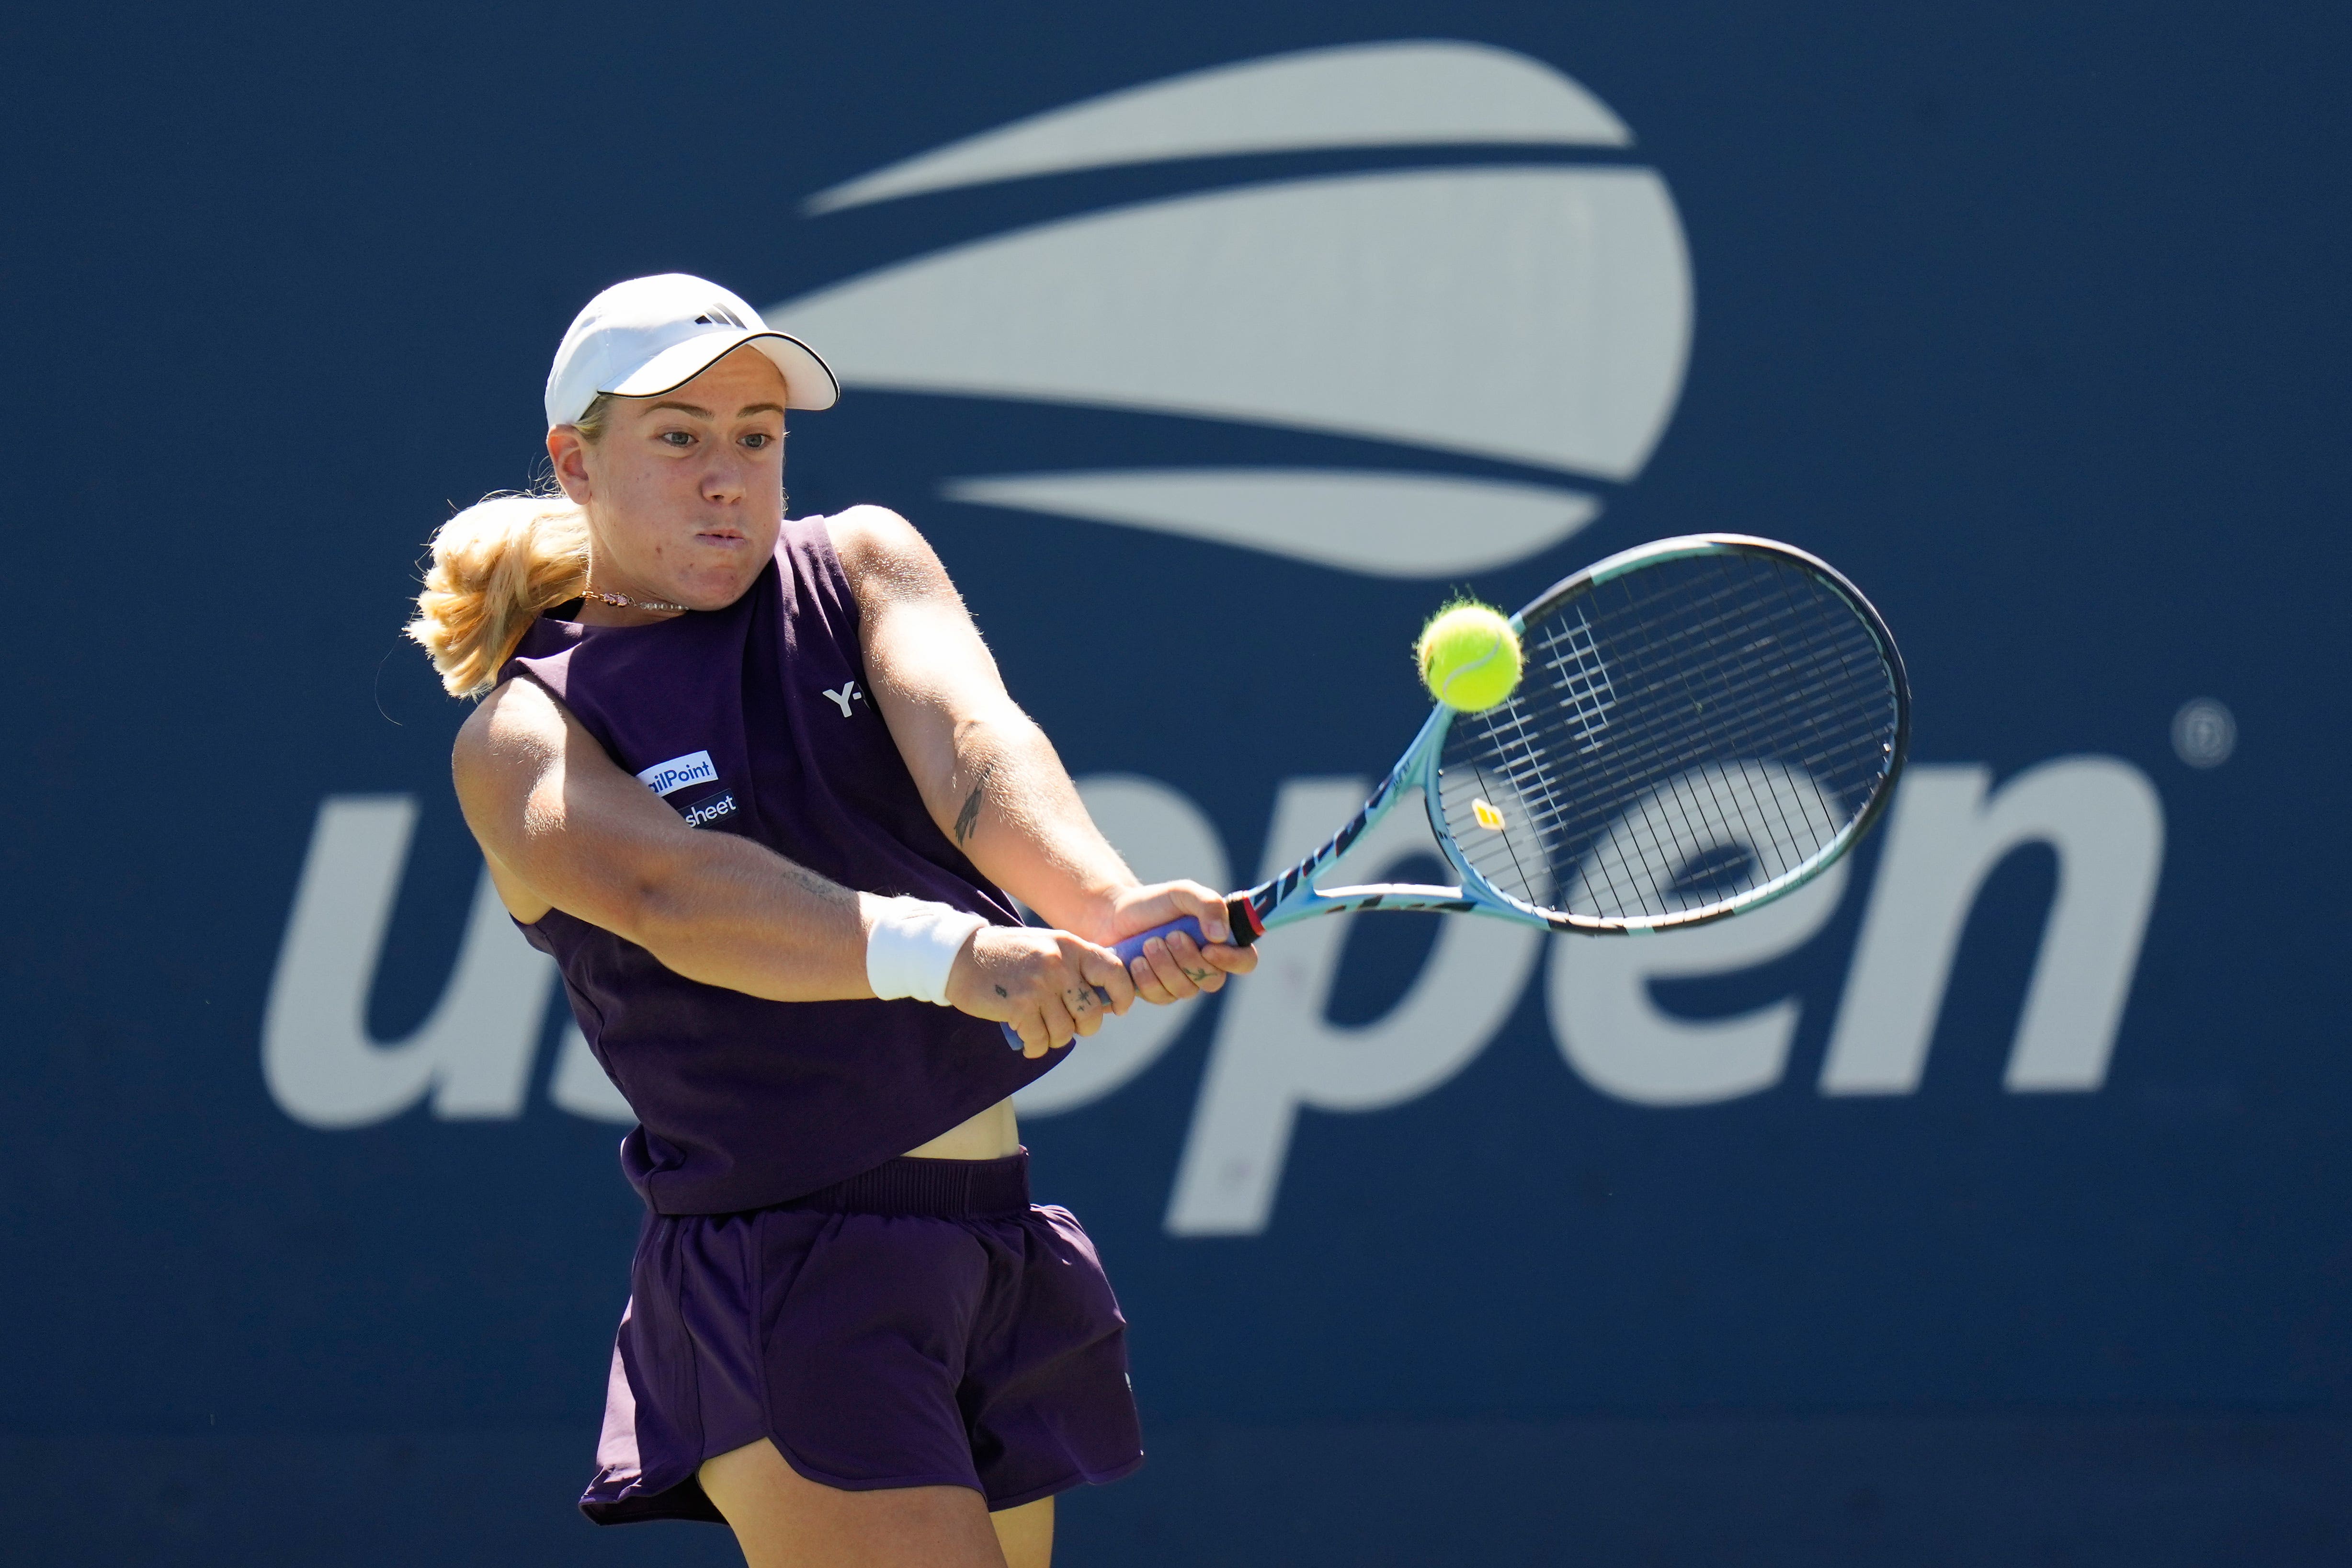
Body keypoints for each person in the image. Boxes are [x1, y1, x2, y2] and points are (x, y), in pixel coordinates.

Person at [405, 274, 1255, 1568]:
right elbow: (674, 895)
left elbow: (973, 742)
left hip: (988, 1234)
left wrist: (1100, 895)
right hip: (786, 1267)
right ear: (577, 462)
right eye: (679, 437)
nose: (727, 474)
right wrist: (959, 954)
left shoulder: (862, 561)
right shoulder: (525, 736)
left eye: (757, 436)